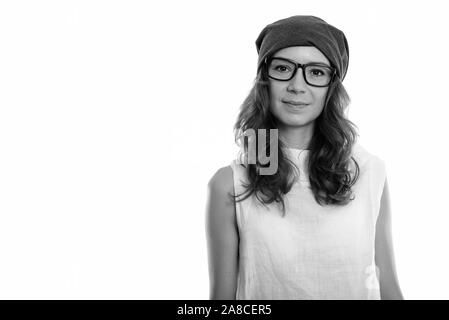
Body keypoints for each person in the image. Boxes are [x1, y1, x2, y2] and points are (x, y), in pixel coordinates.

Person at [205, 15, 403, 300]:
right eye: (283, 68)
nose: (297, 86)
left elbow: (388, 288)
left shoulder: (369, 172)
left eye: (316, 72)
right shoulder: (230, 182)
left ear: (331, 86)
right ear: (264, 79)